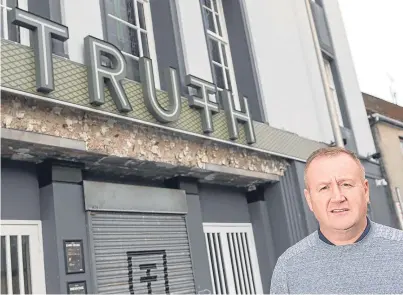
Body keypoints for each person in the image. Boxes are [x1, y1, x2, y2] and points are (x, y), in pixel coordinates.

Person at [270, 147, 403, 294]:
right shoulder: (288, 267)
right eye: (324, 188)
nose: (338, 197)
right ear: (309, 199)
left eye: (346, 184)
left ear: (365, 191)